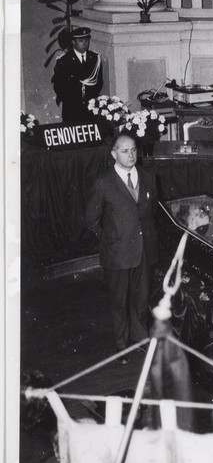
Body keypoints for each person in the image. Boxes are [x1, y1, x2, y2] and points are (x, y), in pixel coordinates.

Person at [85, 133, 159, 363]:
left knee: (141, 297)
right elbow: (91, 219)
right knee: (119, 301)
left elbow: (151, 212)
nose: (131, 155)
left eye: (134, 150)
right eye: (125, 151)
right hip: (117, 253)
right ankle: (122, 346)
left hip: (144, 250)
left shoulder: (148, 176)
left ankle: (139, 338)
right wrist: (112, 237)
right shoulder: (103, 182)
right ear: (113, 154)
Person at [51, 27, 104, 122]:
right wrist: (73, 101)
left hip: (91, 110)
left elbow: (99, 82)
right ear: (73, 42)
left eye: (87, 40)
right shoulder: (64, 61)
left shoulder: (95, 58)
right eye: (81, 40)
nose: (85, 43)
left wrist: (91, 100)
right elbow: (58, 87)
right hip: (72, 110)